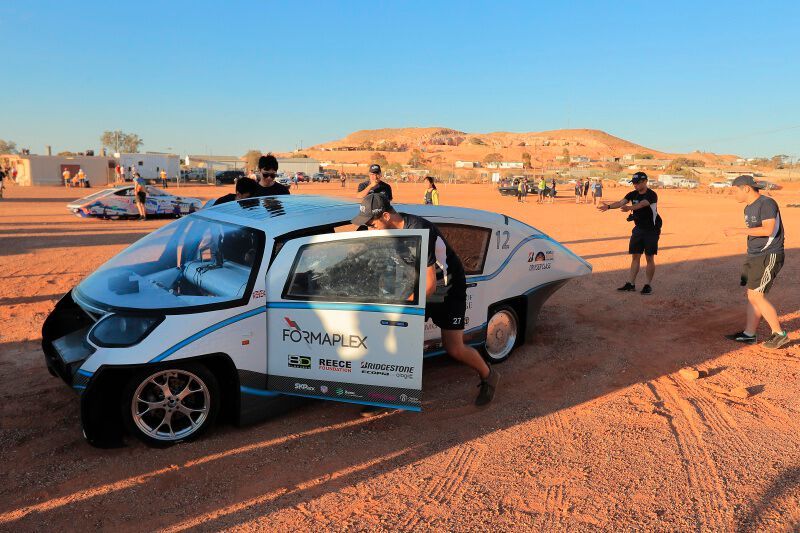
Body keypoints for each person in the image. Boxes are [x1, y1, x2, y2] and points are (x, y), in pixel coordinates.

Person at [352, 193, 499, 405]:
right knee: (395, 336)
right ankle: (387, 394)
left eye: (371, 224)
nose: (370, 229)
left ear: (385, 216)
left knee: (454, 348)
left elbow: (430, 285)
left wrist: (403, 308)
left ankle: (489, 376)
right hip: (420, 284)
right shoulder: (390, 229)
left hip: (447, 290)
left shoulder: (419, 231)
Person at [723, 175, 789, 349]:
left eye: (734, 191)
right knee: (753, 296)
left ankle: (779, 334)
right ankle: (749, 334)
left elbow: (768, 230)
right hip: (756, 255)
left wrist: (737, 231)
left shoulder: (766, 203)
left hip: (769, 254)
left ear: (746, 188)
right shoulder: (748, 208)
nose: (733, 194)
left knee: (756, 296)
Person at [598, 171, 662, 295]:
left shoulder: (651, 194)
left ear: (645, 181)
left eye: (637, 183)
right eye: (634, 183)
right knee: (635, 256)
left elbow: (643, 204)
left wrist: (629, 208)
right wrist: (609, 207)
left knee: (649, 257)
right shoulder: (632, 194)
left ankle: (647, 285)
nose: (635, 185)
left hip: (652, 229)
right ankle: (631, 284)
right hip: (638, 229)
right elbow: (621, 202)